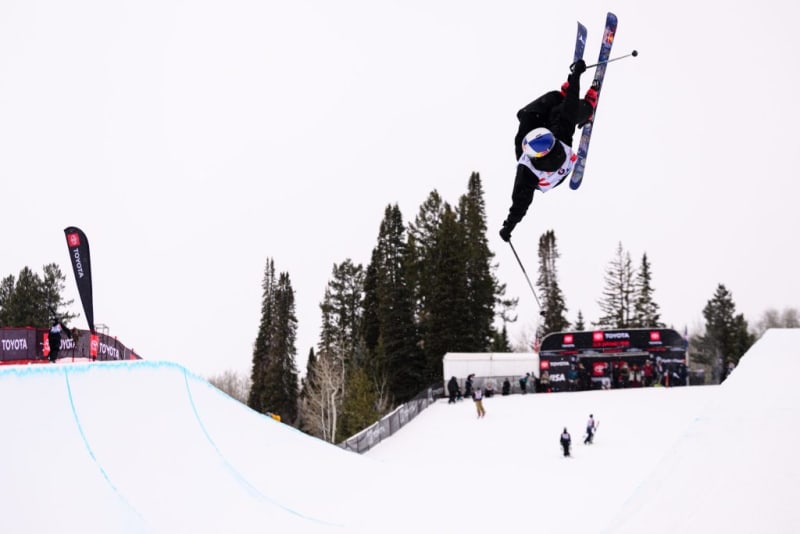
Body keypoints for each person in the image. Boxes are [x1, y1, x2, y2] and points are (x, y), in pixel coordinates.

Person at [499, 59, 597, 243]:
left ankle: (562, 98)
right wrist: (576, 78)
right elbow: (521, 202)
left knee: (526, 115)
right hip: (553, 170)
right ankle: (588, 109)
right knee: (564, 111)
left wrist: (508, 226)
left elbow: (521, 201)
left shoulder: (529, 167)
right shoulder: (560, 136)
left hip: (544, 157)